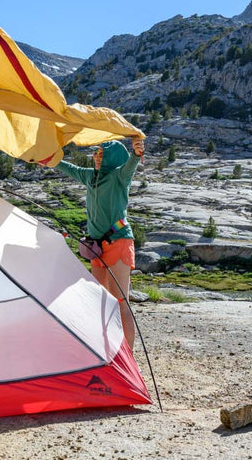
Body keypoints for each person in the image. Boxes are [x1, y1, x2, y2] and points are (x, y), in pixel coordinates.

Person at [55, 137, 145, 346]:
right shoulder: (90, 176)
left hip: (118, 243)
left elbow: (131, 165)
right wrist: (46, 159)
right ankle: (108, 351)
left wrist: (137, 153)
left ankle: (128, 357)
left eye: (101, 154)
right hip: (96, 248)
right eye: (95, 153)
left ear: (111, 158)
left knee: (121, 302)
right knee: (101, 302)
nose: (96, 157)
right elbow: (67, 167)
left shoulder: (119, 176)